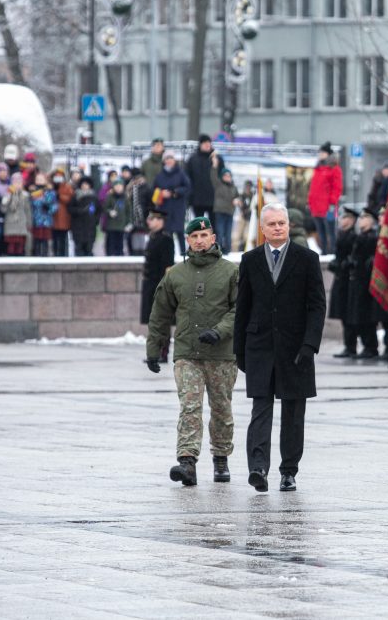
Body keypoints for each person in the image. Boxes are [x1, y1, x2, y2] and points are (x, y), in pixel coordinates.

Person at [234, 203, 326, 492]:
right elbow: (243, 307)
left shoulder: (307, 259)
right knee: (260, 409)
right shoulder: (250, 260)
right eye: (272, 224)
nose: (278, 228)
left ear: (289, 226)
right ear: (262, 229)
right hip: (260, 346)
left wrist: (310, 344)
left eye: (282, 223)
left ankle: (289, 471)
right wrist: (240, 349)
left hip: (296, 348)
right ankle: (258, 467)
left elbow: (317, 306)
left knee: (293, 412)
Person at [146, 216, 239, 486]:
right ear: (187, 240)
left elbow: (239, 309)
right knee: (190, 407)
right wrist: (154, 348)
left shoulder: (230, 272)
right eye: (194, 237)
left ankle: (221, 458)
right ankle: (187, 462)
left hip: (221, 353)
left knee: (221, 407)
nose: (200, 241)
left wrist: (219, 331)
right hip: (187, 352)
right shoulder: (175, 274)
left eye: (204, 236)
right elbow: (160, 313)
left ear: (213, 238)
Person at [139, 208, 175, 360]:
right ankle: (154, 352)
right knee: (153, 321)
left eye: (152, 219)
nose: (149, 221)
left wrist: (166, 288)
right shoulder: (153, 237)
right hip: (150, 284)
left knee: (162, 321)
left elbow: (168, 266)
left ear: (160, 221)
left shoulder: (166, 238)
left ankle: (163, 352)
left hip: (159, 285)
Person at [346, 208, 381, 359]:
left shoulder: (372, 237)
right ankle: (366, 346)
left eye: (365, 217)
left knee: (366, 316)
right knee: (358, 316)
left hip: (366, 283)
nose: (361, 220)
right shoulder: (360, 236)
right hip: (357, 281)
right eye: (361, 217)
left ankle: (370, 346)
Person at [328, 206, 358, 358]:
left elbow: (353, 256)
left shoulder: (352, 236)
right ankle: (348, 345)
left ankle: (351, 346)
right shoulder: (342, 234)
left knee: (349, 314)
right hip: (341, 278)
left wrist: (344, 263)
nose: (341, 220)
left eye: (344, 218)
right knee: (344, 314)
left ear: (351, 220)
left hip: (348, 280)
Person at [152, 151, 192, 255]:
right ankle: (168, 255)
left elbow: (187, 188)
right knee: (166, 234)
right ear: (164, 161)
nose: (169, 161)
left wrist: (174, 192)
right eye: (167, 158)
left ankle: (183, 254)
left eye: (171, 158)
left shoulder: (181, 174)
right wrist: (161, 194)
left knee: (179, 232)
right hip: (164, 208)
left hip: (178, 208)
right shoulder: (159, 175)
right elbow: (154, 192)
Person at [308, 141, 342, 255]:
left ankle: (332, 253)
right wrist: (310, 203)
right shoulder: (317, 169)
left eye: (323, 153)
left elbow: (337, 188)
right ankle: (324, 253)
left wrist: (332, 203)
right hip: (316, 207)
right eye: (320, 153)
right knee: (321, 233)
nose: (320, 155)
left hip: (328, 207)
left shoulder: (334, 169)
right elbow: (313, 188)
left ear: (328, 154)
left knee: (330, 232)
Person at [185, 134, 220, 221]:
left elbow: (222, 176)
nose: (207, 145)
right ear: (200, 144)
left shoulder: (216, 158)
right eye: (205, 143)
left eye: (209, 142)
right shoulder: (193, 159)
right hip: (198, 199)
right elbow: (187, 178)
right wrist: (190, 196)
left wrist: (216, 165)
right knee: (199, 225)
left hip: (214, 199)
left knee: (214, 227)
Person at [209, 154, 238, 254]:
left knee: (228, 233)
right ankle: (219, 250)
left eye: (229, 175)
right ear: (222, 177)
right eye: (225, 175)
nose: (227, 177)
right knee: (220, 232)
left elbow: (238, 197)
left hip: (230, 212)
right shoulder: (218, 184)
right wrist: (214, 165)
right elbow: (213, 175)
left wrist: (237, 200)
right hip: (220, 212)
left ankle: (228, 251)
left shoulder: (234, 187)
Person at [1, 173, 33, 256]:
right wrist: (7, 199)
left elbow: (27, 210)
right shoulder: (7, 194)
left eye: (19, 183)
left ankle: (20, 260)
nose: (17, 185)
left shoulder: (25, 196)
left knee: (20, 246)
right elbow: (3, 209)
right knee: (11, 246)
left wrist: (29, 223)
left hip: (21, 224)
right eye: (15, 183)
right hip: (10, 224)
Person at [29, 172, 57, 256]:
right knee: (36, 240)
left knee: (45, 240)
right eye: (37, 179)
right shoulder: (32, 192)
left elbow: (54, 206)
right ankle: (36, 256)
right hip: (35, 220)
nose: (39, 181)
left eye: (41, 179)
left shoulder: (50, 192)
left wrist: (49, 208)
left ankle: (45, 256)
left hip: (46, 220)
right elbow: (29, 205)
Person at [103, 179, 131, 256]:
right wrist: (110, 212)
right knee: (111, 245)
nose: (118, 188)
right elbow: (104, 208)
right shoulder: (109, 196)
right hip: (111, 226)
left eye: (120, 186)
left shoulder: (125, 197)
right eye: (116, 186)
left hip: (122, 226)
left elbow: (128, 212)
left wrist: (128, 223)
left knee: (120, 246)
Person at [51, 169, 72, 257]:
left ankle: (63, 255)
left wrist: (59, 196)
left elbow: (69, 199)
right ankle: (55, 254)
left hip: (63, 218)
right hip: (53, 218)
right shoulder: (51, 186)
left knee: (63, 239)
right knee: (54, 239)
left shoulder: (67, 187)